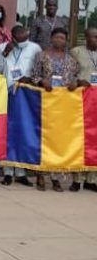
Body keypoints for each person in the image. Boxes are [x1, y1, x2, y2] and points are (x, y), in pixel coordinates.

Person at [31, 28, 79, 192]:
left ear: (66, 41)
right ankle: (41, 175)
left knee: (59, 141)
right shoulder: (41, 56)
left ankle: (56, 178)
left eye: (62, 38)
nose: (59, 40)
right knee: (45, 139)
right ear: (51, 38)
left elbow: (76, 78)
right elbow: (34, 75)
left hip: (64, 106)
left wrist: (75, 83)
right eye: (57, 37)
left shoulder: (71, 60)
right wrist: (41, 82)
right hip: (46, 103)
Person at [0, 23, 41, 187]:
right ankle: (7, 171)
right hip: (7, 93)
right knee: (8, 131)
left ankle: (21, 172)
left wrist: (30, 79)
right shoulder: (2, 47)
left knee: (22, 131)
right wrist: (5, 54)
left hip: (26, 95)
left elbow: (38, 70)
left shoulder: (35, 48)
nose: (22, 40)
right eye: (18, 38)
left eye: (24, 36)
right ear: (12, 37)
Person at [71, 27, 97, 192]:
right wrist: (79, 81)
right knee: (79, 139)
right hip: (81, 101)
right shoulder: (76, 52)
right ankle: (77, 179)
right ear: (86, 38)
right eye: (94, 37)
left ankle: (91, 179)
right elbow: (69, 74)